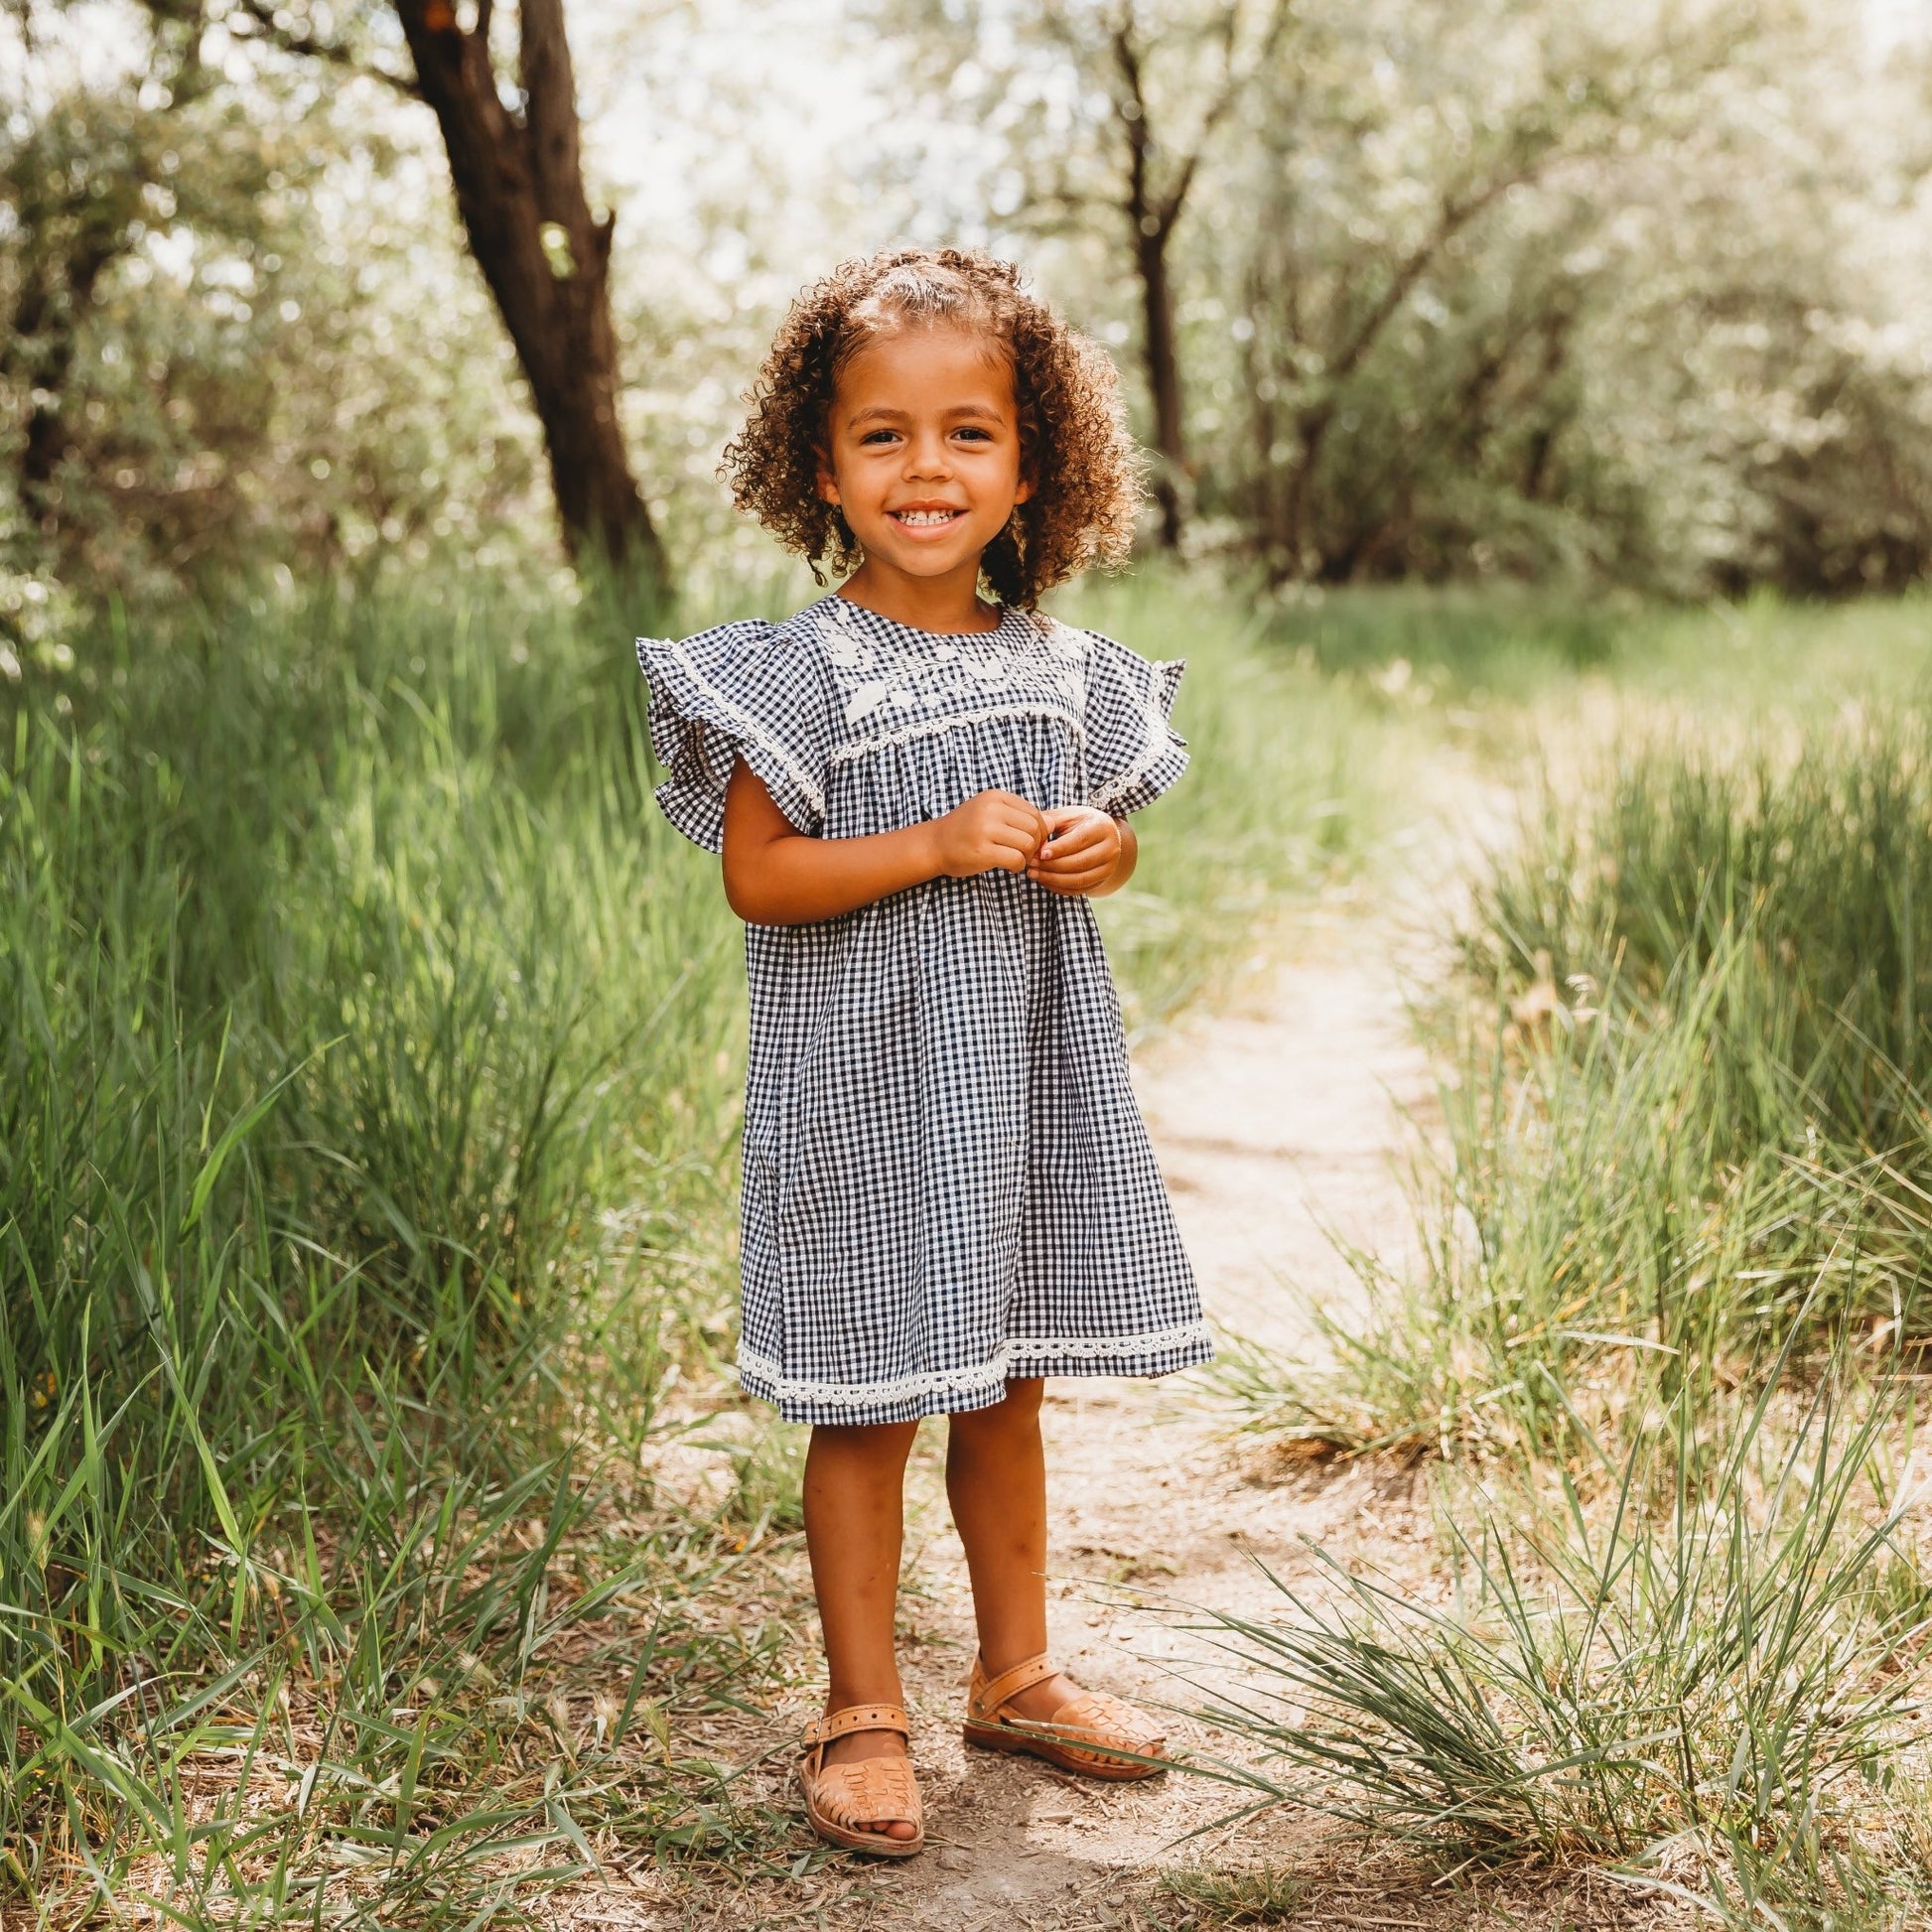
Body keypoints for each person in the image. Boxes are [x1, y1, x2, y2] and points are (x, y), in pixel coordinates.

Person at [635, 248, 1209, 1859]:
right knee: (869, 1399)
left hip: (1017, 1091)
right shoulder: (792, 673)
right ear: (820, 467)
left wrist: (1102, 850)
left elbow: (1099, 839)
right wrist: (933, 840)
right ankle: (862, 1703)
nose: (925, 467)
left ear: (1033, 466)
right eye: (881, 436)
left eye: (968, 432)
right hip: (868, 1097)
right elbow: (762, 876)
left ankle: (1017, 1666)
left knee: (1012, 1382)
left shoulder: (1066, 668)